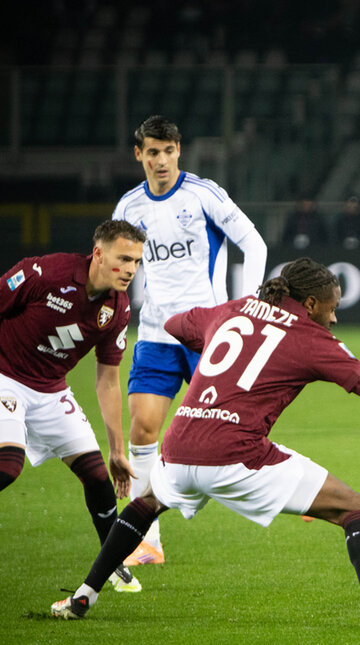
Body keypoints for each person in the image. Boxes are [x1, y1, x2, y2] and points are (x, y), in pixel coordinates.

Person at [52, 258, 360, 627]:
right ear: (310, 303)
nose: (334, 316)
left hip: (180, 445)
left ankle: (84, 596)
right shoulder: (311, 338)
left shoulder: (230, 311)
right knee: (355, 507)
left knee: (148, 502)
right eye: (331, 307)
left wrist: (217, 332)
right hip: (234, 455)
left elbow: (174, 324)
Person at [113, 115, 268, 565]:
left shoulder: (204, 195)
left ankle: (289, 491)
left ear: (179, 151)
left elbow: (253, 243)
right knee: (143, 428)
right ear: (138, 154)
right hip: (157, 331)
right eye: (152, 152)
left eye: (168, 151)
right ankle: (149, 541)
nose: (161, 160)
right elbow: (115, 264)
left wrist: (250, 305)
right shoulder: (128, 208)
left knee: (224, 432)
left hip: (209, 334)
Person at [0, 220, 145, 593]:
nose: (131, 269)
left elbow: (108, 380)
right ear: (98, 253)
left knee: (98, 478)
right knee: (7, 466)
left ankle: (111, 563)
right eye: (124, 258)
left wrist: (116, 450)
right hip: (6, 375)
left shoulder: (118, 308)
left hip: (50, 391)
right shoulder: (46, 273)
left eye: (137, 262)